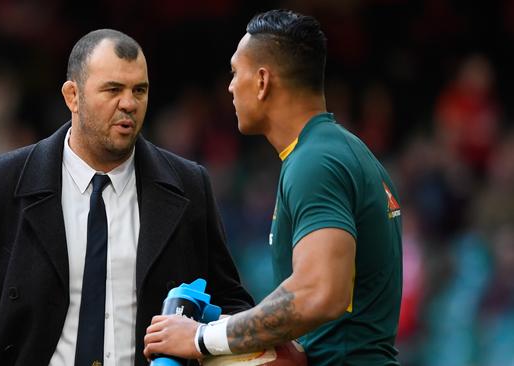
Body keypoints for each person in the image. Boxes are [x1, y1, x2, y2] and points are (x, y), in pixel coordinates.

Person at [0, 29, 253, 366]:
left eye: (139, 90)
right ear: (72, 95)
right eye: (113, 89)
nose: (128, 103)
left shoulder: (189, 185)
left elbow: (230, 302)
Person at [144, 10, 403, 365]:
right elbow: (337, 319)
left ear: (263, 81)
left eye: (236, 73)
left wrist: (205, 338)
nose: (230, 86)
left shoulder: (316, 162)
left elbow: (320, 293)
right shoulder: (337, 151)